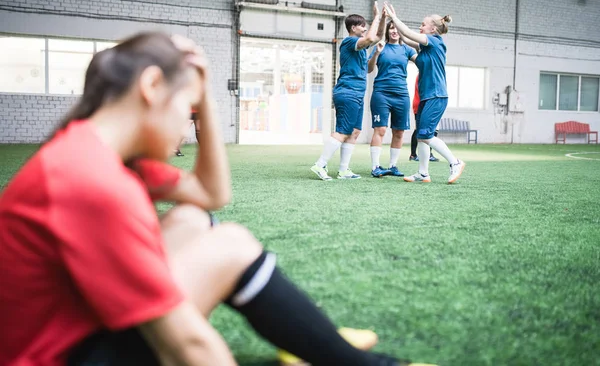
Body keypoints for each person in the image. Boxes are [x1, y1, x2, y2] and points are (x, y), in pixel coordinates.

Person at [0, 32, 434, 366]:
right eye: (188, 110)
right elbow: (187, 343)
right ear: (152, 87)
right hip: (58, 357)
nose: (188, 128)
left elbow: (211, 195)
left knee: (192, 220)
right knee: (230, 246)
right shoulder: (90, 177)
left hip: (71, 335)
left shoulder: (95, 152)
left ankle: (312, 338)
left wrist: (204, 96)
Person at [383, 3, 465, 184]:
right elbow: (405, 37)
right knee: (421, 135)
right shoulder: (425, 47)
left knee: (427, 134)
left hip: (436, 95)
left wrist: (395, 18)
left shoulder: (435, 41)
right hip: (426, 97)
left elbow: (410, 34)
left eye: (423, 24)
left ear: (433, 29)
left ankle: (455, 162)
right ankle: (423, 173)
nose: (420, 27)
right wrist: (391, 21)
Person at [310, 2, 386, 180]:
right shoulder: (350, 42)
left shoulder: (361, 48)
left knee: (354, 132)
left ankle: (344, 170)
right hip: (347, 92)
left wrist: (383, 19)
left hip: (357, 94)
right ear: (353, 28)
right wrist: (375, 16)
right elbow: (369, 38)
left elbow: (378, 36)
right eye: (362, 26)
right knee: (343, 131)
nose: (365, 28)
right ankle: (320, 165)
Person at [367, 21, 417, 178]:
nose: (394, 31)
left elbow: (422, 62)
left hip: (401, 95)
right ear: (387, 31)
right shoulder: (381, 47)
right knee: (380, 130)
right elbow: (369, 69)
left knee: (399, 132)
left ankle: (393, 166)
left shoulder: (406, 49)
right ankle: (375, 166)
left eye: (396, 28)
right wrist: (376, 53)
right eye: (391, 28)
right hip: (381, 93)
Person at [409, 75, 439, 163]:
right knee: (420, 129)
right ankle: (414, 154)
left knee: (433, 129)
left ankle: (427, 153)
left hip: (426, 103)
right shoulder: (423, 74)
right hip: (422, 104)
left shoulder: (427, 74)